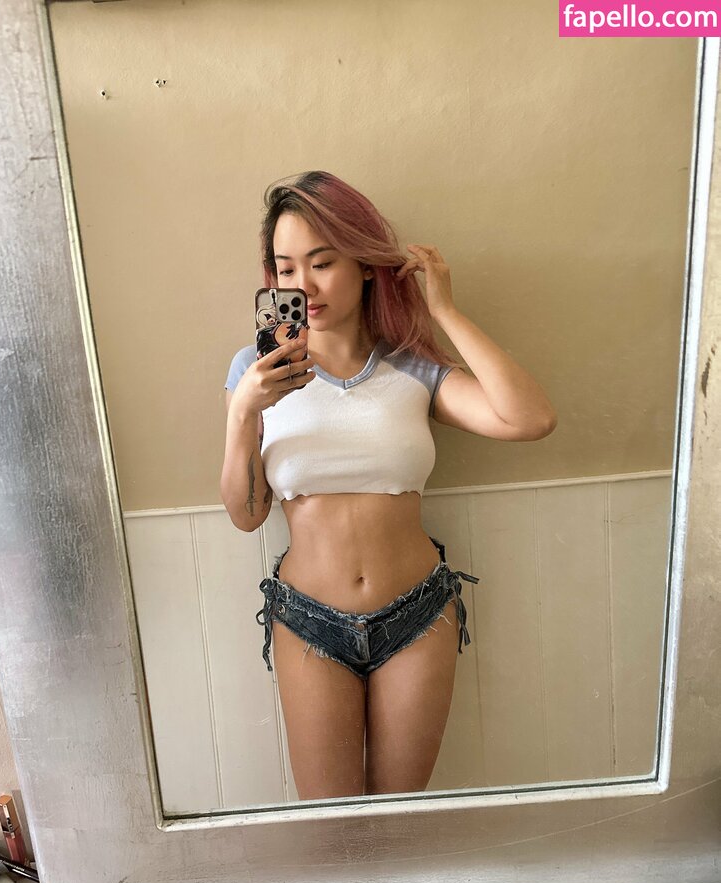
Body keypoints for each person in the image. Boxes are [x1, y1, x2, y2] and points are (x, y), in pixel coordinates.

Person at [221, 171, 556, 802]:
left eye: (323, 263)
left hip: (417, 614)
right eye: (286, 269)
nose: (303, 286)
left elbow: (530, 419)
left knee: (401, 824)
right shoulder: (255, 372)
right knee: (332, 826)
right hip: (308, 619)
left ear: (366, 266)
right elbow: (246, 514)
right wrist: (243, 411)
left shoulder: (412, 365)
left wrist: (445, 312)